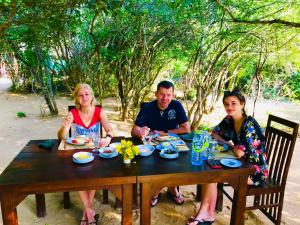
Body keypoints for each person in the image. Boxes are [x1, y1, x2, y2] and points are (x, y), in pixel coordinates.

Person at [187, 90, 268, 225]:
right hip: (239, 163)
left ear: (242, 104)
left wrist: (227, 143)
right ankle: (207, 212)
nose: (229, 107)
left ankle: (206, 213)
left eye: (233, 103)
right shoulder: (229, 119)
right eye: (226, 104)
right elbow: (214, 133)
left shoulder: (249, 125)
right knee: (209, 167)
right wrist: (228, 144)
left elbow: (239, 153)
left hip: (253, 171)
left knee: (212, 173)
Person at [58, 83, 113, 225]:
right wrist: (64, 127)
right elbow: (61, 137)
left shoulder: (99, 112)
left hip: (94, 152)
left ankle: (86, 211)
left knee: (92, 172)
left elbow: (109, 131)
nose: (84, 97)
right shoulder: (72, 113)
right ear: (76, 98)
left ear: (92, 96)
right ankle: (89, 211)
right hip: (77, 153)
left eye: (87, 94)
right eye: (81, 95)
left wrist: (107, 138)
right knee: (79, 173)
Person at [131, 80, 190, 207]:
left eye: (168, 95)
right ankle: (165, 189)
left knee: (177, 160)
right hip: (151, 145)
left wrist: (164, 132)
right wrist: (140, 132)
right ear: (156, 94)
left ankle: (167, 189)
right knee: (153, 162)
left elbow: (186, 129)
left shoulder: (177, 106)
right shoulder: (147, 107)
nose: (165, 98)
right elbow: (133, 131)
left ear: (173, 95)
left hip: (171, 143)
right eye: (162, 94)